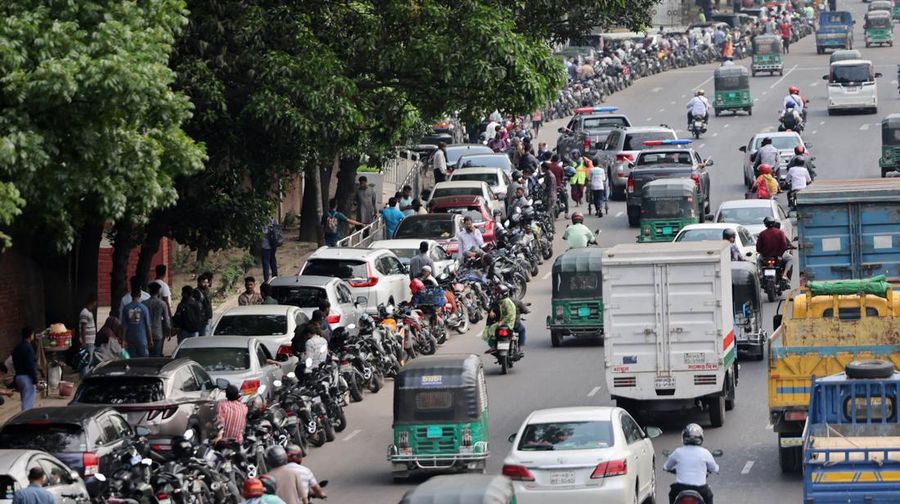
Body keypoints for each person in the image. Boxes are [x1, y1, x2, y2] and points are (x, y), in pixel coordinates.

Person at [664, 424, 718, 504]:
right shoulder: (705, 452)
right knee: (709, 496)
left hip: (680, 488)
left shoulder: (678, 452)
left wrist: (670, 470)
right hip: (700, 489)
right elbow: (714, 469)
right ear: (701, 438)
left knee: (672, 494)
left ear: (684, 437)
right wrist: (714, 470)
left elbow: (666, 466)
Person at [121, 278, 153, 357]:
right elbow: (148, 326)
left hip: (130, 338)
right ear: (140, 295)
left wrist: (123, 340)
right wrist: (150, 340)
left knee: (132, 360)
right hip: (142, 338)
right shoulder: (144, 308)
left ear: (131, 295)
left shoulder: (126, 306)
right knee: (143, 361)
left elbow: (124, 326)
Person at [757, 216, 795, 281]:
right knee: (790, 258)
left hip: (766, 256)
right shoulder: (780, 232)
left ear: (765, 224)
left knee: (758, 259)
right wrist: (780, 254)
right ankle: (785, 274)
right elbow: (784, 245)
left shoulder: (762, 234)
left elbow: (758, 247)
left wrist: (762, 253)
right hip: (779, 256)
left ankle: (761, 274)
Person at [481, 285, 517, 350]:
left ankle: (494, 346)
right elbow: (491, 307)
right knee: (489, 329)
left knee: (490, 330)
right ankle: (495, 345)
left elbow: (509, 314)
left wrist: (501, 322)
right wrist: (491, 311)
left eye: (498, 293)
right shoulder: (499, 301)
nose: (496, 294)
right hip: (500, 320)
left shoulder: (506, 302)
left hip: (508, 322)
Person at [12, 327, 38, 412]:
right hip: (27, 378)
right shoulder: (28, 348)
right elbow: (30, 365)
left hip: (19, 377)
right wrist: (35, 380)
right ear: (31, 335)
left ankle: (25, 420)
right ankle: (26, 421)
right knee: (27, 405)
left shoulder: (17, 347)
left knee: (24, 400)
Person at [144, 282, 171, 357]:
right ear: (158, 291)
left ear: (149, 291)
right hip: (158, 333)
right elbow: (166, 320)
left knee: (147, 355)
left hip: (146, 333)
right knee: (156, 355)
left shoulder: (144, 303)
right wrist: (168, 331)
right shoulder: (162, 304)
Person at [79, 293, 98, 378]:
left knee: (89, 360)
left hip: (91, 341)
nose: (96, 304)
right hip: (88, 341)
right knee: (87, 360)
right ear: (93, 302)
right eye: (95, 302)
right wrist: (84, 341)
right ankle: (85, 377)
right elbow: (83, 328)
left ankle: (86, 375)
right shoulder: (85, 313)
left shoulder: (88, 312)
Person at [261, 218, 281, 283]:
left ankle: (266, 279)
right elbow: (278, 229)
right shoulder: (273, 219)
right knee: (273, 260)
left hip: (266, 245)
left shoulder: (263, 220)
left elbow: (264, 232)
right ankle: (275, 277)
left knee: (266, 262)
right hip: (274, 244)